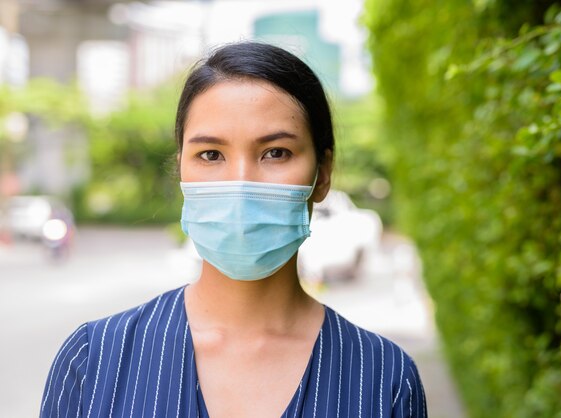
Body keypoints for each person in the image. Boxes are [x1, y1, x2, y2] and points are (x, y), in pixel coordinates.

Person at [40, 41, 427, 418]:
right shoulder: (93, 362)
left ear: (322, 174)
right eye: (211, 155)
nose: (241, 182)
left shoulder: (384, 381)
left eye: (276, 152)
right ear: (181, 171)